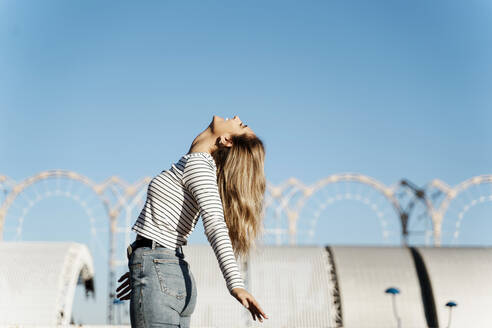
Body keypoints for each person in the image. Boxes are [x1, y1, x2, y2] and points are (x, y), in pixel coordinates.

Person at [116, 115, 269, 327]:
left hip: (161, 271)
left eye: (240, 124)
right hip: (164, 269)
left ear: (226, 140)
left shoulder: (198, 165)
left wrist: (236, 284)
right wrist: (140, 267)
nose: (236, 117)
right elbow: (167, 225)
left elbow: (215, 223)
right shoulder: (197, 165)